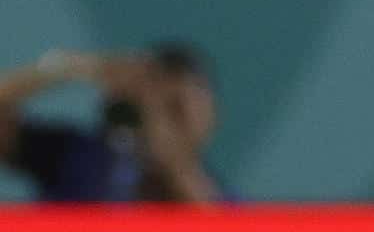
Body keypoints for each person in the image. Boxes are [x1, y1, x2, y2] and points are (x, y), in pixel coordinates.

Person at [0, 43, 225, 203]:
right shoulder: (76, 154)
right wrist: (66, 68)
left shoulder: (216, 196)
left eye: (175, 110)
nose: (156, 116)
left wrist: (165, 152)